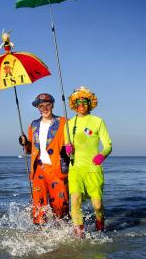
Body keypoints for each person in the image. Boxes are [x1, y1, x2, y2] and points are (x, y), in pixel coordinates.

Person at [65, 86, 112, 237]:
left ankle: (100, 226)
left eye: (84, 101)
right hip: (75, 169)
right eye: (78, 101)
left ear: (90, 103)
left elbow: (108, 145)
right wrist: (67, 149)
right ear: (74, 104)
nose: (81, 105)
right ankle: (79, 234)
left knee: (97, 205)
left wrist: (102, 155)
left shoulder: (98, 121)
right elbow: (67, 145)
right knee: (75, 200)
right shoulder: (69, 124)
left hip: (93, 169)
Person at [19, 93, 69, 225]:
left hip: (57, 168)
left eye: (48, 105)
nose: (45, 108)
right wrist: (25, 143)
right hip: (38, 170)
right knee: (38, 205)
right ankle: (39, 233)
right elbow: (30, 150)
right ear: (37, 108)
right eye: (41, 106)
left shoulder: (64, 122)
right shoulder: (33, 125)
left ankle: (64, 232)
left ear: (52, 105)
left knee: (60, 204)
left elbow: (72, 143)